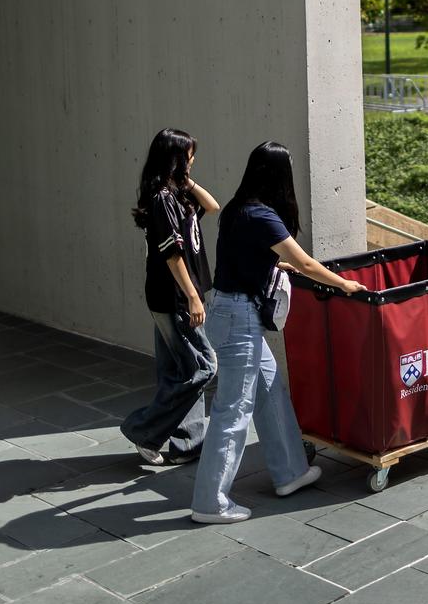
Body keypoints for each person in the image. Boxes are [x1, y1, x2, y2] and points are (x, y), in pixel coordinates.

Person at [188, 141, 365, 524]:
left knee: (269, 391)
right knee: (232, 411)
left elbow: (241, 261)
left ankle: (290, 472)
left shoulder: (238, 209)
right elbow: (303, 259)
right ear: (280, 176)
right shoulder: (263, 215)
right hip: (238, 320)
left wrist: (274, 270)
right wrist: (344, 285)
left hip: (227, 308)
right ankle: (209, 502)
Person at [122, 128, 220, 466]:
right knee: (204, 367)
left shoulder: (176, 193)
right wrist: (193, 297)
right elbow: (172, 255)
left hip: (173, 296)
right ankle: (143, 430)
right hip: (174, 297)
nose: (193, 159)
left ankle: (188, 444)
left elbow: (213, 205)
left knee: (179, 371)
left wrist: (186, 179)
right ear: (175, 158)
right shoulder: (163, 199)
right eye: (189, 154)